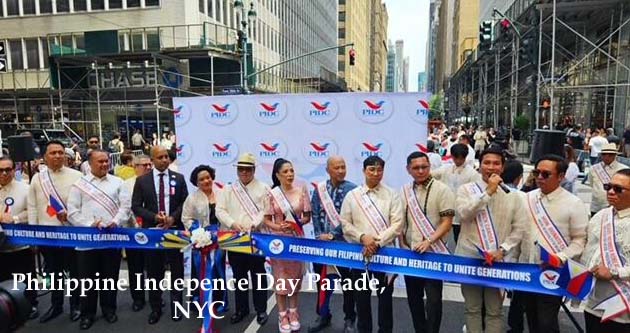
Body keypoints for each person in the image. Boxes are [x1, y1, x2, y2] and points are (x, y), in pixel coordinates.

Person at [455, 147, 527, 333]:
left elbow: (519, 229)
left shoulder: (514, 196)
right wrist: (487, 193)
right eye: (487, 163)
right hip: (469, 257)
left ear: (502, 167)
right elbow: (463, 215)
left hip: (498, 260)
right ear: (480, 166)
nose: (491, 167)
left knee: (495, 311)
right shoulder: (466, 190)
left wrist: (503, 249)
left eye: (496, 163)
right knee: (472, 308)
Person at [517, 154, 588, 333]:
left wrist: (560, 257)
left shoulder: (574, 203)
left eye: (546, 174)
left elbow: (580, 240)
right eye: (537, 172)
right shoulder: (527, 198)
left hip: (553, 273)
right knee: (531, 317)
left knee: (546, 322)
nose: (539, 177)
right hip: (526, 270)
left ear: (561, 176)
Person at [67, 149, 130, 330]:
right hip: (87, 242)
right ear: (90, 163)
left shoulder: (118, 182)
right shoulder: (79, 184)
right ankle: (87, 314)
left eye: (106, 161)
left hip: (111, 239)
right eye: (100, 162)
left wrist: (115, 222)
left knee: (110, 277)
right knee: (87, 280)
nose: (104, 165)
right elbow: (72, 212)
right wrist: (89, 224)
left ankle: (109, 309)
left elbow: (125, 207)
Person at [340, 156, 404, 333]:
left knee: (385, 300)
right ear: (364, 171)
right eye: (372, 170)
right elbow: (345, 223)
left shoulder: (392, 194)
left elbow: (397, 224)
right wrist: (362, 237)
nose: (376, 173)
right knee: (361, 300)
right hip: (360, 255)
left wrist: (377, 242)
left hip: (385, 255)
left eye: (380, 170)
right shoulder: (352, 196)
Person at [27, 140, 83, 323]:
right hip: (47, 234)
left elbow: (83, 203)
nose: (58, 156)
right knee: (53, 272)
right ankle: (56, 305)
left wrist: (72, 214)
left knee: (75, 272)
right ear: (45, 157)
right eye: (53, 153)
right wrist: (34, 235)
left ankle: (76, 305)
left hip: (71, 232)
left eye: (60, 152)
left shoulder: (77, 175)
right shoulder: (38, 178)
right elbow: (33, 206)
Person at [131, 146, 189, 324]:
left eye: (166, 157)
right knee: (154, 273)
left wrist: (172, 218)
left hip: (174, 231)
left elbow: (184, 203)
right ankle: (155, 308)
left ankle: (177, 307)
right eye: (161, 157)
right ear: (152, 160)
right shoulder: (142, 181)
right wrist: (154, 217)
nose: (165, 160)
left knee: (177, 271)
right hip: (152, 234)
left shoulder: (178, 179)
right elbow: (136, 206)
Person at [401, 152, 454, 333]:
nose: (421, 171)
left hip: (433, 254)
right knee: (413, 299)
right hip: (410, 254)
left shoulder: (442, 190)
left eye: (424, 167)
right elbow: (401, 221)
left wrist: (429, 241)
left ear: (429, 166)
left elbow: (447, 222)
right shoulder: (405, 191)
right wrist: (402, 243)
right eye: (416, 168)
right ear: (408, 170)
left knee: (433, 302)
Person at [216, 153, 270, 325]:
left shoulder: (263, 188)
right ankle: (241, 309)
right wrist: (232, 224)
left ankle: (261, 310)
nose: (244, 173)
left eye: (248, 169)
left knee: (258, 275)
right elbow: (220, 210)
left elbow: (265, 211)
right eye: (241, 169)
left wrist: (254, 224)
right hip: (235, 238)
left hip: (255, 238)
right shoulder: (228, 189)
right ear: (237, 171)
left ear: (253, 170)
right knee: (239, 276)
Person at [308, 156, 357, 333]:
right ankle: (323, 314)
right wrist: (321, 235)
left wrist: (333, 235)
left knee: (349, 285)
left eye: (343, 167)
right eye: (336, 168)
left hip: (344, 246)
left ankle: (350, 318)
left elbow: (351, 219)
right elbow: (314, 214)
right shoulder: (320, 189)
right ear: (328, 170)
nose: (341, 171)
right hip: (322, 246)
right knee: (323, 283)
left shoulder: (353, 190)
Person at [263, 158, 311, 333]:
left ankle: (293, 313)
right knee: (281, 279)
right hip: (278, 242)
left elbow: (307, 216)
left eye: (291, 171)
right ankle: (282, 315)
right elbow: (267, 219)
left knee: (295, 279)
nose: (290, 174)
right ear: (277, 175)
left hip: (296, 239)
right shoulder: (272, 193)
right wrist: (278, 226)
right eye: (285, 172)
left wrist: (297, 224)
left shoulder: (301, 191)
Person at [581, 169, 630, 333]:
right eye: (608, 186)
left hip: (622, 305)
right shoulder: (601, 215)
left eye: (618, 189)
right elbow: (586, 244)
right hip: (594, 300)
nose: (610, 192)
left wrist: (615, 272)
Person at [181, 164, 226, 309]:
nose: (206, 181)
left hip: (220, 238)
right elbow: (186, 218)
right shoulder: (192, 198)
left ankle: (220, 301)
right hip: (201, 239)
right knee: (199, 269)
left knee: (218, 268)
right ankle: (199, 301)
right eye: (201, 179)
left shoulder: (222, 193)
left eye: (208, 177)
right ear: (196, 182)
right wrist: (198, 232)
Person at [0, 156, 38, 319]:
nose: (4, 173)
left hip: (20, 244)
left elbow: (32, 212)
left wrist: (15, 219)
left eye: (8, 169)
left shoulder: (25, 188)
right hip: (1, 247)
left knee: (25, 277)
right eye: (0, 170)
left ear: (14, 169)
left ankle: (31, 305)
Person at [121, 154, 152, 312]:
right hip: (133, 232)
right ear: (135, 166)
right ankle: (138, 298)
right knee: (135, 268)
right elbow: (125, 208)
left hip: (153, 233)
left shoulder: (155, 182)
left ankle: (156, 297)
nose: (147, 168)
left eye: (149, 165)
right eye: (143, 165)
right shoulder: (125, 185)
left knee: (154, 268)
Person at [432, 143, 481, 243]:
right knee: (441, 237)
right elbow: (431, 175)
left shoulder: (472, 174)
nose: (458, 161)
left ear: (465, 157)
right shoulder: (446, 169)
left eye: (461, 159)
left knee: (458, 238)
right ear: (452, 157)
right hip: (445, 208)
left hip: (460, 212)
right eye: (456, 158)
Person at [587, 143, 629, 216]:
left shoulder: (623, 169)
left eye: (610, 154)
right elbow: (591, 183)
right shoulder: (594, 168)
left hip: (616, 205)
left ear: (615, 155)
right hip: (596, 206)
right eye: (604, 154)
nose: (607, 157)